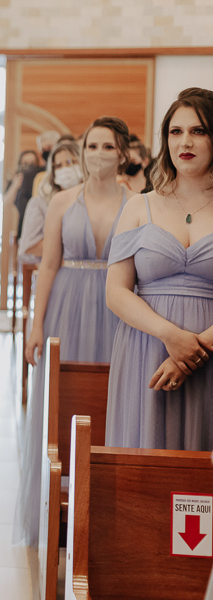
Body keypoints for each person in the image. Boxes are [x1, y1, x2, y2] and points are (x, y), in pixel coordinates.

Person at [14, 116, 132, 546]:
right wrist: (35, 324)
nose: (98, 154)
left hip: (118, 308)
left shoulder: (138, 201)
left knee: (111, 403)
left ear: (122, 154)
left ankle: (102, 511)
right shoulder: (63, 201)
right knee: (62, 407)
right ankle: (55, 515)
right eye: (91, 146)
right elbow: (47, 265)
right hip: (67, 304)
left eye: (107, 147)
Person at [105, 88, 213, 450]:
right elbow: (116, 292)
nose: (186, 141)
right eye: (176, 131)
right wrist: (170, 335)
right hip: (145, 349)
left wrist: (190, 355)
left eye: (199, 131)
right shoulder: (139, 206)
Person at [17, 139, 82, 263]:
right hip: (55, 269)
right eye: (58, 166)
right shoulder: (40, 203)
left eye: (70, 162)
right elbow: (29, 246)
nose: (65, 169)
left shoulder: (93, 201)